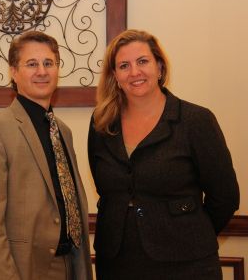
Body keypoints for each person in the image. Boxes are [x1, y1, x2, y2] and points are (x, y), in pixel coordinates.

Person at [88, 29, 240, 280]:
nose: (134, 72)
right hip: (117, 263)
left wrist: (191, 232)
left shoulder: (195, 121)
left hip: (187, 263)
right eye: (124, 65)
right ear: (115, 75)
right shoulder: (102, 124)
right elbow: (108, 191)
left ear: (159, 66)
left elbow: (225, 197)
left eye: (143, 61)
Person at [0, 30, 93, 280]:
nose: (42, 71)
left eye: (49, 63)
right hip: (19, 270)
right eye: (31, 64)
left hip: (68, 266)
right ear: (13, 71)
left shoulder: (62, 131)